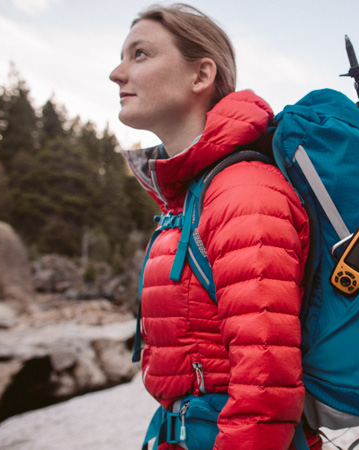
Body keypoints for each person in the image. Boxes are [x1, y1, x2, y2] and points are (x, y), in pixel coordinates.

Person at [109, 4, 321, 449]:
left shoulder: (242, 193)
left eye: (140, 55)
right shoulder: (191, 194)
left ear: (201, 75)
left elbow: (267, 385)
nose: (116, 73)